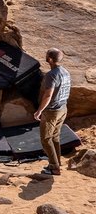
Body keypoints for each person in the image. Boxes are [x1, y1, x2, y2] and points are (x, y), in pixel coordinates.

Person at [33, 48, 71, 176]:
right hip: (62, 108)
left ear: (49, 59)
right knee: (54, 137)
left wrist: (39, 110)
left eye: (46, 55)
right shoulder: (65, 72)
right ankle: (56, 163)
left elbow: (48, 95)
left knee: (46, 139)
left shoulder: (51, 75)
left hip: (52, 112)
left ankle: (54, 168)